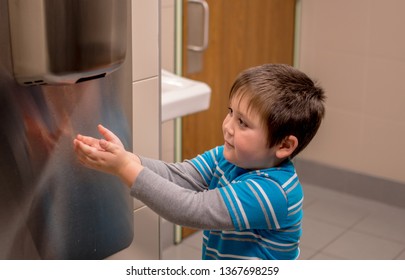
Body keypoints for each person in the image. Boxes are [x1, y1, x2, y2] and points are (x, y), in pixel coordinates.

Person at [73, 64, 326, 260]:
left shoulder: (272, 191)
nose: (228, 127)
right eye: (230, 113)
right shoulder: (228, 158)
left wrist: (123, 168)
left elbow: (190, 209)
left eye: (243, 123)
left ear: (284, 145)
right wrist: (127, 157)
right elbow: (180, 175)